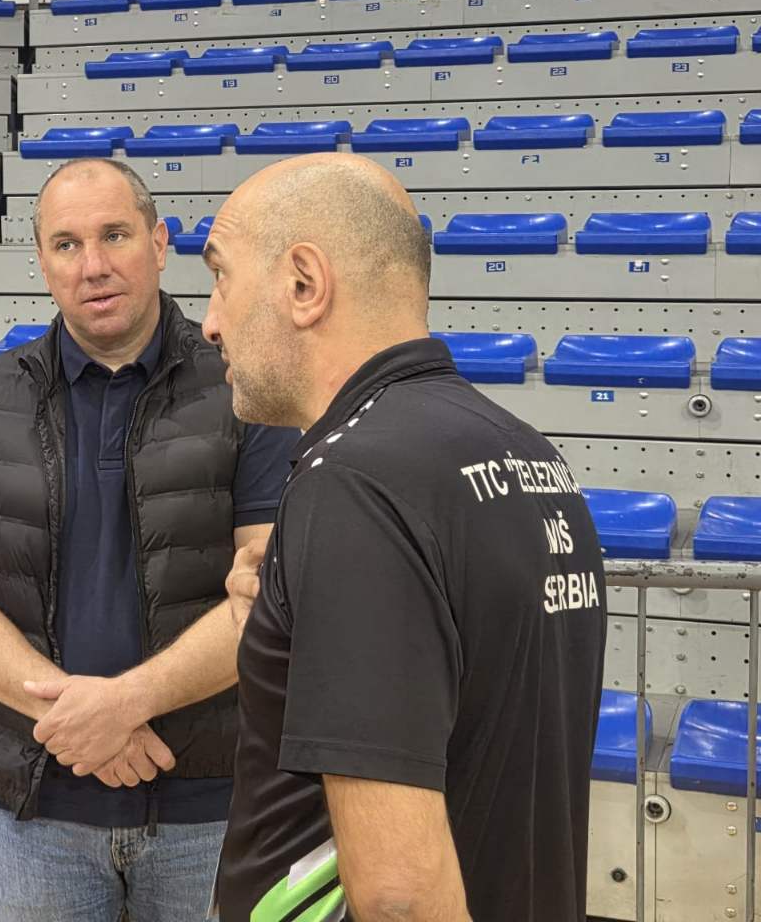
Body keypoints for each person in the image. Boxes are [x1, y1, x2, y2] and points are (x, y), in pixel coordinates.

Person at [200, 153, 606, 922]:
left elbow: (399, 896)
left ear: (304, 284)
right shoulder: (525, 451)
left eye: (221, 276)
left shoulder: (354, 482)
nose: (210, 321)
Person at [0, 157, 300, 922]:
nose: (92, 265)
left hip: (211, 807)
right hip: (37, 811)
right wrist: (78, 722)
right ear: (42, 261)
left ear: (159, 243)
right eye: (66, 244)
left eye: (115, 235)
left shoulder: (246, 388)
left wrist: (125, 703)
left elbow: (269, 597)